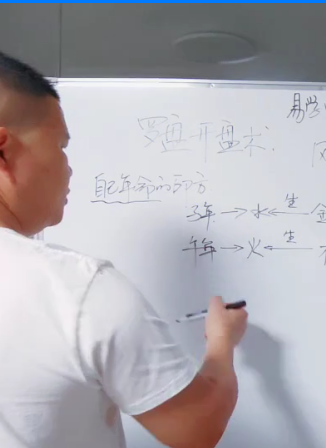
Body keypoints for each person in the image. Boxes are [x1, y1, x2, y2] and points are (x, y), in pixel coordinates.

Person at [0, 51, 248, 448]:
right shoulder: (77, 292)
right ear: (3, 149)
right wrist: (222, 343)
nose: (68, 168)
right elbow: (196, 428)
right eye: (60, 146)